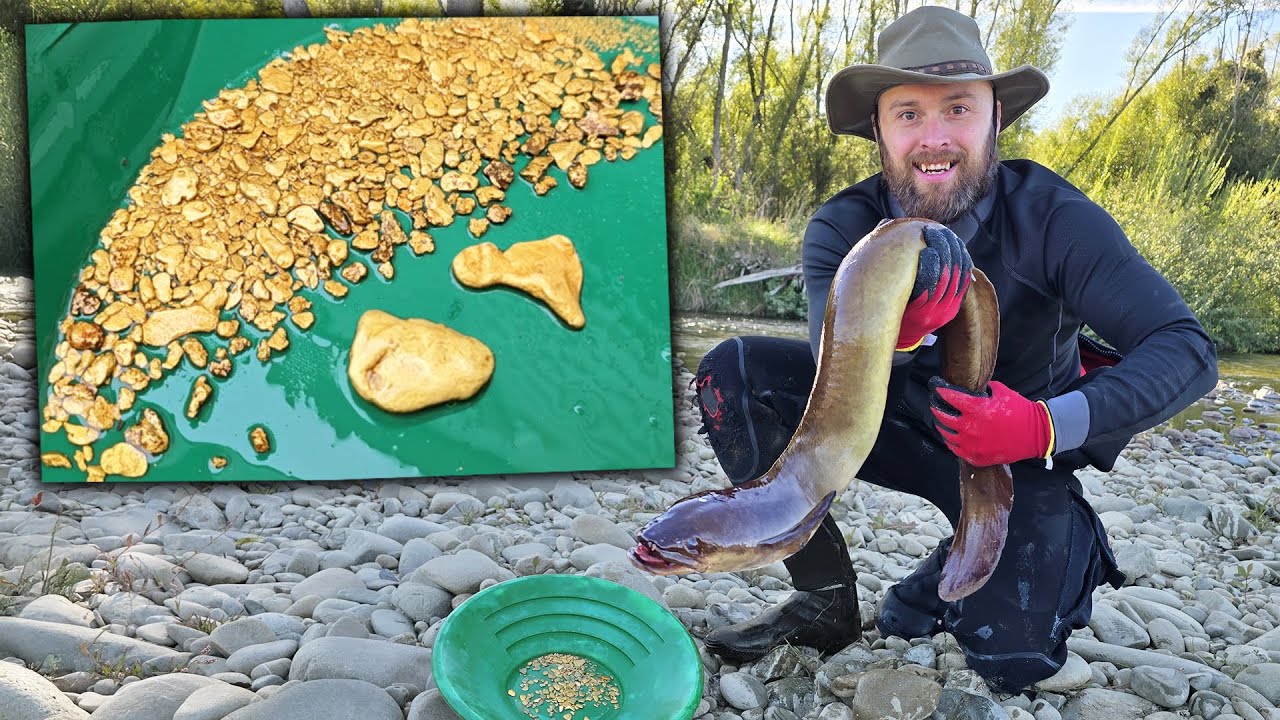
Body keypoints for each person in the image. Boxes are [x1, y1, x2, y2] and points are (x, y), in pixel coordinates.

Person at [693, 5, 1218, 693]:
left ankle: (1027, 541)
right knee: (731, 375)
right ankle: (823, 600)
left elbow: (1187, 351)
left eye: (959, 109)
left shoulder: (1056, 220)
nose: (933, 138)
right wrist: (902, 333)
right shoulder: (842, 228)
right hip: (890, 425)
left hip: (1019, 447)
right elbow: (830, 363)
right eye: (908, 113)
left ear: (995, 119)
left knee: (1014, 661)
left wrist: (1046, 424)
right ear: (877, 130)